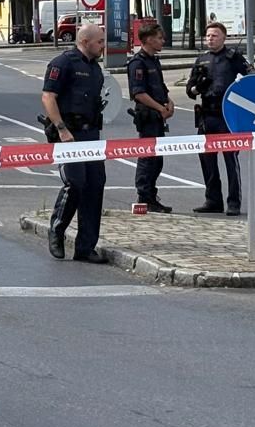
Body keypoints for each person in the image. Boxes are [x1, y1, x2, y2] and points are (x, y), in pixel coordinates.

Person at [40, 22, 109, 263]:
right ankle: (57, 231)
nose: (103, 45)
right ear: (85, 41)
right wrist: (61, 129)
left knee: (95, 184)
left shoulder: (95, 68)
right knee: (76, 183)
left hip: (91, 135)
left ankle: (85, 246)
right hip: (69, 134)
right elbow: (48, 96)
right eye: (99, 41)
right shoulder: (64, 63)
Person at [186, 20, 253, 216]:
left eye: (214, 35)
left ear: (224, 37)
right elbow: (189, 90)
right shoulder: (201, 60)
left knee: (230, 159)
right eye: (208, 35)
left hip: (228, 116)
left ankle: (234, 202)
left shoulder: (233, 58)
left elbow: (253, 77)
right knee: (207, 160)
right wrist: (198, 87)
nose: (210, 39)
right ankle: (213, 200)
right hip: (207, 116)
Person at [126, 20, 174, 212]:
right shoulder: (138, 63)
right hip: (148, 117)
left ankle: (152, 196)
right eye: (159, 38)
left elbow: (160, 87)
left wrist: (169, 103)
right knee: (148, 158)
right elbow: (139, 93)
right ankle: (144, 196)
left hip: (158, 116)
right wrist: (159, 108)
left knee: (157, 159)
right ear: (147, 40)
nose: (163, 41)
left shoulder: (154, 61)